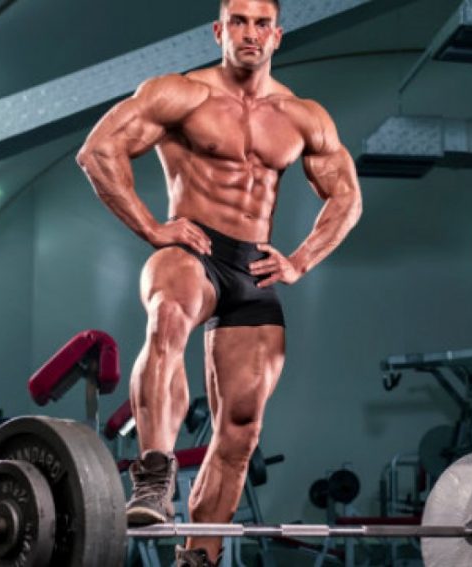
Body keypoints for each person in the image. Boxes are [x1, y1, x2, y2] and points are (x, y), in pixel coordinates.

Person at [75, 0, 362, 564]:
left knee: (241, 430)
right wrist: (153, 226)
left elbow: (347, 195)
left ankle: (197, 555)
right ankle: (155, 476)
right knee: (168, 317)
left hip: (252, 267)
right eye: (238, 21)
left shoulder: (302, 116)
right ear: (218, 30)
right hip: (192, 248)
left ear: (277, 36)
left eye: (261, 24)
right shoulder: (181, 94)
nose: (249, 33)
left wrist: (300, 260)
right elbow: (99, 151)